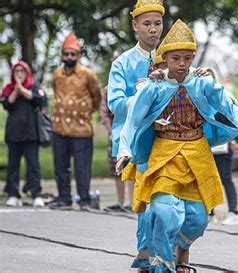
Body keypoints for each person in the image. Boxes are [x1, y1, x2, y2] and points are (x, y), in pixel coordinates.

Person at [116, 19, 238, 273]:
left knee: (197, 221)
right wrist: (124, 150)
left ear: (193, 58)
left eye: (187, 58)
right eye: (175, 58)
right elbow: (133, 119)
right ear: (165, 58)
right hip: (163, 156)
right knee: (164, 212)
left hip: (197, 157)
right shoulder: (154, 86)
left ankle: (176, 249)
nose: (181, 64)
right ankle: (161, 262)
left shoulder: (202, 82)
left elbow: (229, 106)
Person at [108, 0, 166, 270]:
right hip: (137, 141)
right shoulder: (123, 62)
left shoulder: (172, 58)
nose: (153, 29)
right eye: (147, 24)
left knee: (169, 201)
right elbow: (115, 103)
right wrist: (141, 96)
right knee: (146, 202)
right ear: (135, 26)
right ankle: (147, 255)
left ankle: (167, 255)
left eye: (157, 23)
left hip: (169, 138)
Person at [48, 32, 102, 210]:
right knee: (60, 165)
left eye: (73, 54)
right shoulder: (57, 74)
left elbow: (97, 97)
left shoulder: (88, 75)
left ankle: (84, 200)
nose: (69, 57)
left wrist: (84, 112)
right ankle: (64, 198)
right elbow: (56, 94)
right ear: (62, 55)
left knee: (82, 167)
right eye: (66, 54)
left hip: (81, 129)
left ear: (78, 56)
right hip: (59, 128)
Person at [1, 61, 46, 207]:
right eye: (17, 71)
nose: (19, 74)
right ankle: (13, 194)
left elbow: (38, 101)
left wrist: (22, 89)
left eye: (22, 71)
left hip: (30, 134)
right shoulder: (8, 88)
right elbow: (7, 104)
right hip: (14, 134)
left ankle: (36, 194)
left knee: (33, 166)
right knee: (13, 166)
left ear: (27, 73)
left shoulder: (34, 87)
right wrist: (16, 89)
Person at [207, 67, 238, 226]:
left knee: (225, 178)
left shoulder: (224, 96)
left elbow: (237, 119)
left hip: (223, 145)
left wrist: (237, 140)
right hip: (205, 146)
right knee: (207, 179)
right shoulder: (198, 97)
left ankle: (233, 212)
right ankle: (209, 213)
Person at [101, 51, 134, 212]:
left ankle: (132, 202)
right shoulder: (108, 89)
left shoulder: (134, 84)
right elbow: (104, 113)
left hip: (133, 131)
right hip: (115, 133)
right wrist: (112, 132)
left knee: (132, 167)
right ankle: (120, 202)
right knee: (117, 169)